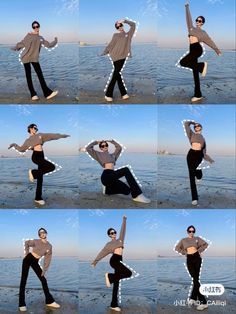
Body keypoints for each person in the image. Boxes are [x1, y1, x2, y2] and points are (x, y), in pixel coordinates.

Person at [8, 123, 70, 206]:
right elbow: (21, 149)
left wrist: (62, 136)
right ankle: (33, 173)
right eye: (34, 128)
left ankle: (38, 198)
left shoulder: (40, 135)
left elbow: (51, 136)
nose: (36, 130)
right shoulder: (28, 141)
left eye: (37, 128)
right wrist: (14, 145)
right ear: (30, 128)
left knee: (40, 178)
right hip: (36, 156)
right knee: (52, 167)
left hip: (42, 155)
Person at [179, 1, 221, 102]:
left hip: (197, 49)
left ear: (202, 23)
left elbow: (210, 41)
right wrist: (187, 6)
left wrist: (216, 50)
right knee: (195, 73)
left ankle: (202, 65)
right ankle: (198, 94)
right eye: (197, 20)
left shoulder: (203, 33)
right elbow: (188, 18)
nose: (198, 21)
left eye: (200, 20)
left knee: (182, 62)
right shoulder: (191, 28)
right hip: (191, 49)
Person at [85, 139, 150, 203]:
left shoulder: (113, 155)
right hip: (106, 176)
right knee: (126, 170)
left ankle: (107, 190)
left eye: (106, 145)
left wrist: (110, 141)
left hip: (112, 176)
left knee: (127, 191)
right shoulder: (98, 154)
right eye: (102, 146)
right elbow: (88, 148)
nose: (104, 147)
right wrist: (96, 142)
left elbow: (119, 147)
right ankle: (137, 196)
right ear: (100, 148)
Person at [91, 216, 132, 312]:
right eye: (111, 233)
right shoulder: (109, 245)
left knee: (116, 284)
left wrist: (124, 220)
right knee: (128, 273)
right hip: (114, 261)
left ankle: (113, 304)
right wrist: (95, 261)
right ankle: (109, 276)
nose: (114, 234)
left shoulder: (120, 240)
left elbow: (123, 230)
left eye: (114, 232)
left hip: (120, 260)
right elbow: (102, 252)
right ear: (109, 235)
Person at [11, 20, 58, 101]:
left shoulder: (41, 38)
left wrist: (55, 40)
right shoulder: (29, 35)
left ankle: (47, 93)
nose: (35, 28)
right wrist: (15, 48)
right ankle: (33, 94)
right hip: (26, 57)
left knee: (40, 75)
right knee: (28, 76)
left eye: (37, 26)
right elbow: (22, 43)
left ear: (39, 26)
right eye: (34, 26)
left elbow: (49, 45)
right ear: (32, 27)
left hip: (34, 58)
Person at [19, 228, 60, 312]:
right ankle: (21, 304)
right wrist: (26, 254)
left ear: (46, 233)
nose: (42, 234)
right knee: (23, 280)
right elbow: (26, 243)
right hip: (28, 259)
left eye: (43, 232)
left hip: (35, 262)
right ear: (39, 235)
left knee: (43, 280)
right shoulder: (36, 241)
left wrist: (44, 269)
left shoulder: (49, 246)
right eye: (40, 233)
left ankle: (49, 301)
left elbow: (48, 258)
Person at [175, 225, 209, 311]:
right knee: (195, 279)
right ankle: (199, 300)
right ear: (187, 232)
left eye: (193, 231)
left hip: (197, 258)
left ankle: (199, 300)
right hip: (189, 258)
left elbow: (205, 244)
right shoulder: (183, 240)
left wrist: (199, 251)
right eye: (190, 231)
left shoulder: (197, 238)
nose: (191, 233)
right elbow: (177, 248)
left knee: (195, 279)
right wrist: (185, 253)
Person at [102, 19, 136, 102]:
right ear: (116, 28)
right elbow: (111, 45)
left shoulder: (128, 35)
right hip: (114, 56)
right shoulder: (115, 35)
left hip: (122, 57)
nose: (119, 27)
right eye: (117, 27)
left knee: (116, 74)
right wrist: (105, 51)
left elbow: (133, 25)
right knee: (117, 74)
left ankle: (115, 94)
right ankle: (118, 94)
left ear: (122, 25)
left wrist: (125, 20)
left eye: (120, 25)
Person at [184, 120, 214, 206]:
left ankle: (200, 176)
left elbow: (204, 152)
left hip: (199, 155)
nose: (197, 127)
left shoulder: (203, 139)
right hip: (190, 155)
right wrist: (194, 123)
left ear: (201, 128)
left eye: (198, 126)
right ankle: (194, 198)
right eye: (196, 127)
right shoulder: (191, 134)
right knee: (191, 176)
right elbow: (186, 124)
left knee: (197, 171)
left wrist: (210, 159)